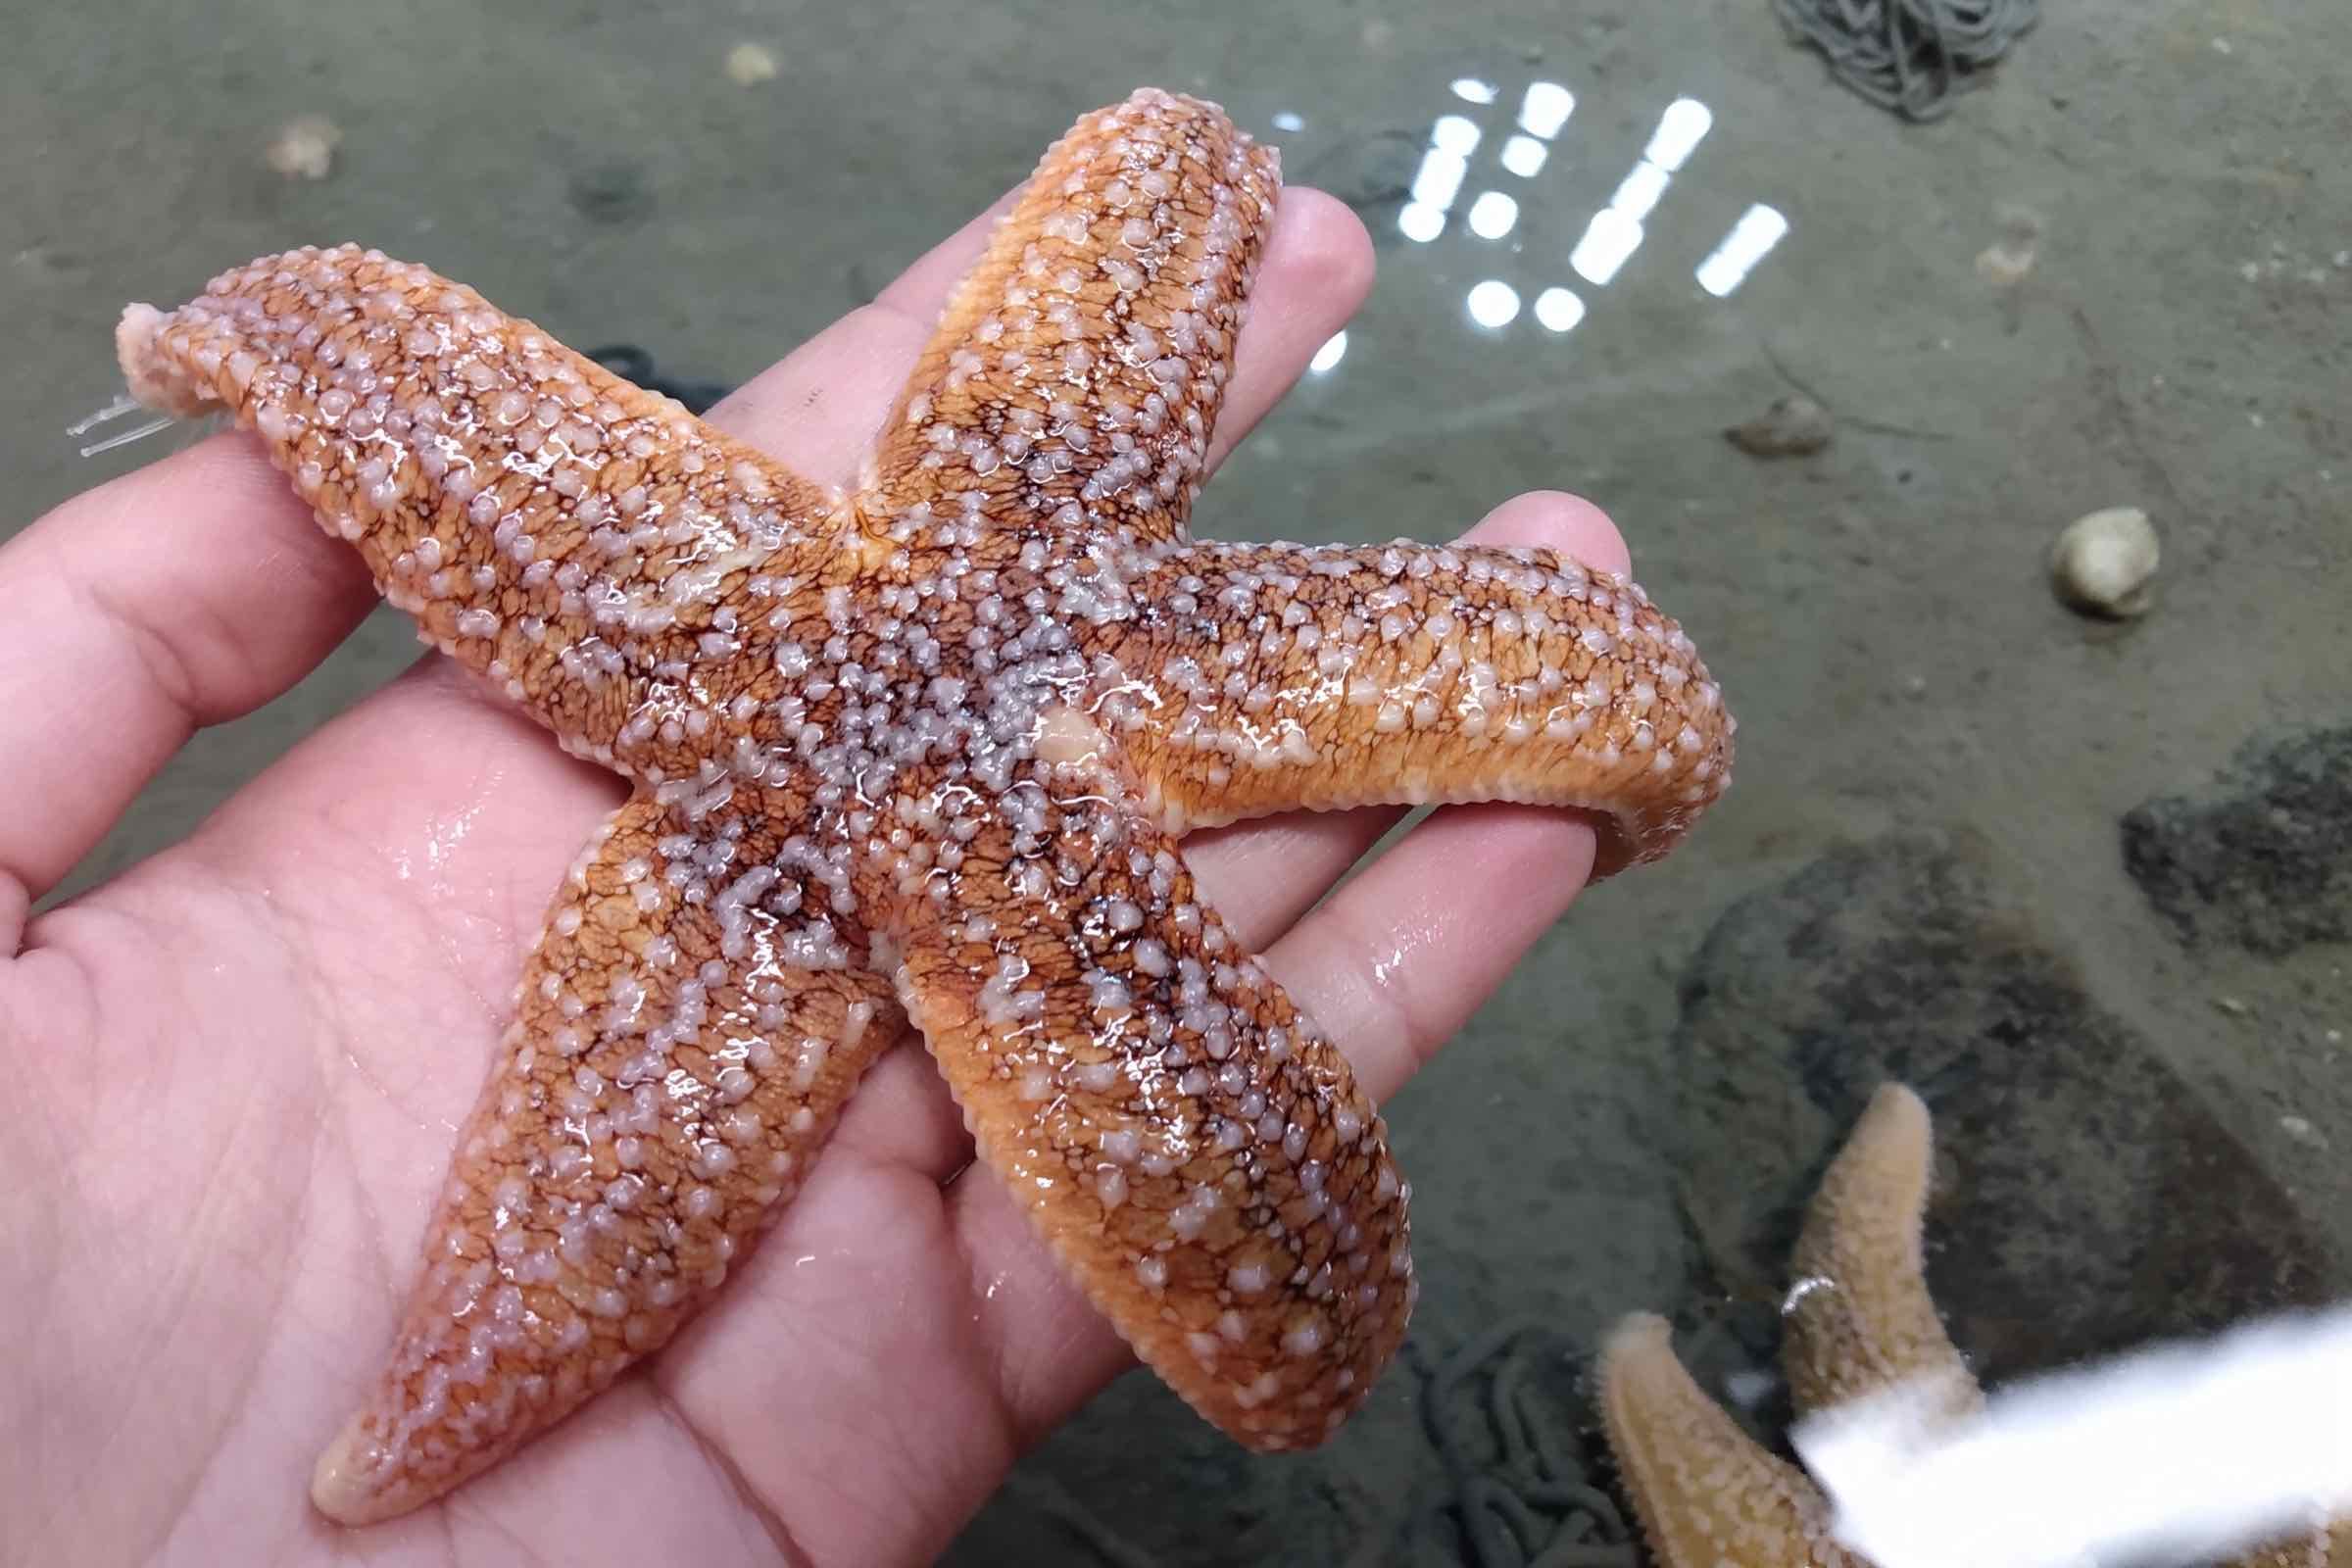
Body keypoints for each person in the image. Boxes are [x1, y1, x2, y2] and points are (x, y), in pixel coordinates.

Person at [0, 186, 1629, 1565]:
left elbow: (378, 361)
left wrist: (264, 327)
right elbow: (383, 376)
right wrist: (272, 334)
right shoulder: (818, 682)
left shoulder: (794, 615)